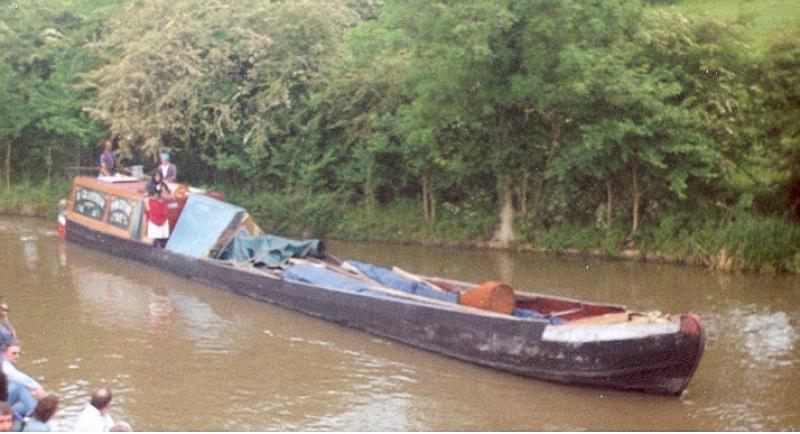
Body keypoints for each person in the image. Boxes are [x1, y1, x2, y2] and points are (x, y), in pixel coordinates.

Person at [1, 344, 46, 417]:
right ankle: (36, 416)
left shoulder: (7, 364)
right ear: (4, 353)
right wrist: (37, 386)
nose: (17, 356)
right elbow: (20, 378)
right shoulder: (5, 366)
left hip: (4, 402)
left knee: (27, 403)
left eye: (18, 353)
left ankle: (34, 413)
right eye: (14, 353)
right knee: (20, 387)